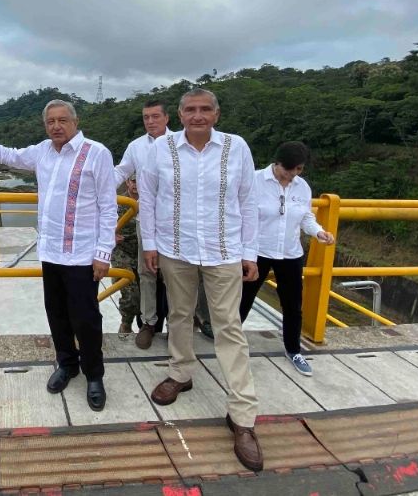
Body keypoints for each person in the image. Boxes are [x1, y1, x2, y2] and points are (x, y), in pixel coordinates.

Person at [0, 100, 117, 412]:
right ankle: (67, 365)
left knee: (87, 318)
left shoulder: (97, 153)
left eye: (63, 120)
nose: (56, 126)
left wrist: (103, 253)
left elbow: (108, 207)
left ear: (75, 122)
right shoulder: (42, 151)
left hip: (82, 254)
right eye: (51, 121)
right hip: (51, 251)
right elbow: (9, 155)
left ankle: (95, 375)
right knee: (56, 314)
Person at [139, 88, 264, 472]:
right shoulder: (162, 148)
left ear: (216, 113)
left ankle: (242, 417)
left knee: (229, 327)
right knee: (178, 315)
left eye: (204, 109)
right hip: (175, 248)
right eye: (190, 109)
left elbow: (248, 200)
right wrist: (150, 243)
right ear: (179, 114)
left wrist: (250, 252)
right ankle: (181, 373)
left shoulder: (236, 146)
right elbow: (148, 195)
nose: (197, 115)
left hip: (223, 251)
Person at [239, 141, 335, 377]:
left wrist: (319, 231)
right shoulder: (253, 181)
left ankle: (293, 350)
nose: (292, 175)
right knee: (242, 300)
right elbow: (240, 215)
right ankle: (228, 345)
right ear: (277, 162)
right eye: (288, 169)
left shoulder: (302, 187)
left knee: (293, 306)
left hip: (290, 253)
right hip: (256, 252)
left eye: (298, 170)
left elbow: (306, 218)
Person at [113, 100, 173, 347]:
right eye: (146, 117)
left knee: (177, 275)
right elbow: (121, 171)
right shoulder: (136, 147)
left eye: (155, 116)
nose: (150, 121)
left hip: (173, 220)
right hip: (144, 219)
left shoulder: (179, 143)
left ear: (167, 118)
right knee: (146, 272)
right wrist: (97, 185)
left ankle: (181, 325)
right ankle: (148, 323)